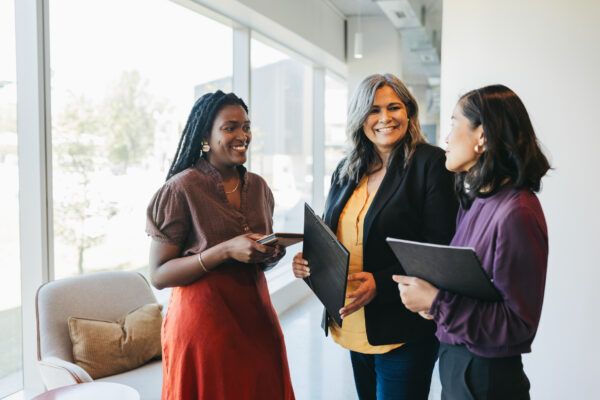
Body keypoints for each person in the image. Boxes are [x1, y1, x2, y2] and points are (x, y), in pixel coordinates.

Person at [292, 73, 458, 400]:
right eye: (373, 110)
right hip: (352, 320)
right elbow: (331, 234)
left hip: (402, 326)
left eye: (393, 107)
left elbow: (439, 247)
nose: (384, 118)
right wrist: (309, 261)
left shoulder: (430, 163)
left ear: (408, 112)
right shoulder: (346, 169)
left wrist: (381, 284)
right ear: (359, 119)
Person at [394, 84, 550, 400]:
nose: (447, 139)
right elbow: (472, 290)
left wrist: (437, 302)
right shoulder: (476, 201)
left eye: (454, 124)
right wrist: (433, 304)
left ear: (483, 136)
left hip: (486, 378)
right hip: (458, 363)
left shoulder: (516, 213)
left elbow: (518, 324)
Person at [146, 90, 295, 400]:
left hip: (257, 319)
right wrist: (225, 250)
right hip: (204, 328)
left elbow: (258, 259)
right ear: (206, 135)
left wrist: (270, 252)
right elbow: (159, 275)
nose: (243, 135)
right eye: (230, 128)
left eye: (246, 126)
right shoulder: (180, 188)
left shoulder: (258, 187)